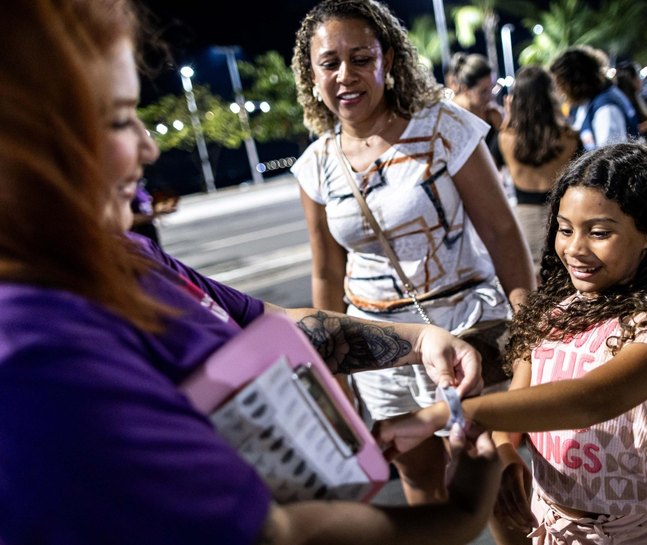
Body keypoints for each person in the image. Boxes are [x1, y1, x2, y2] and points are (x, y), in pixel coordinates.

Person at [0, 1, 503, 543]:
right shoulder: (34, 350)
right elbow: (277, 533)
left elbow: (282, 325)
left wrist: (422, 339)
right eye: (120, 120)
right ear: (24, 144)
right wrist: (464, 512)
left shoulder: (130, 256)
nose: (148, 147)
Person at [378, 142, 647, 544]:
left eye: (599, 232)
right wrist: (504, 457)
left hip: (634, 532)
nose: (574, 248)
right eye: (565, 229)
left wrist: (448, 414)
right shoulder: (554, 311)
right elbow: (518, 406)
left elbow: (592, 399)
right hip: (549, 526)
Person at [290, 0, 535, 506]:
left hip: (464, 332)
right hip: (377, 351)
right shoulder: (315, 166)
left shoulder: (444, 127)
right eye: (329, 63)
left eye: (360, 58)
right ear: (311, 76)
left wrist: (531, 333)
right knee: (422, 490)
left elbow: (503, 236)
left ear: (389, 62)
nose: (345, 75)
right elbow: (326, 272)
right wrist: (334, 370)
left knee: (494, 482)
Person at [497, 65, 581, 272]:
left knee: (534, 281)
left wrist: (508, 117)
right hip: (563, 217)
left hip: (525, 220)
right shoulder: (569, 137)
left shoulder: (506, 138)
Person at [549, 46, 639, 151]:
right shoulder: (590, 102)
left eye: (560, 84)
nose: (559, 91)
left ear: (574, 82)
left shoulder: (606, 107)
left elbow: (609, 157)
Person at [449, 52, 506, 165]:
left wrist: (503, 126)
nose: (490, 96)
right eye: (483, 92)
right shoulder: (454, 116)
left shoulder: (491, 113)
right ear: (466, 90)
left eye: (492, 88)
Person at [614, 60, 647, 138]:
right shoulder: (626, 104)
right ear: (631, 79)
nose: (641, 80)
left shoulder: (638, 98)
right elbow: (636, 129)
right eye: (638, 76)